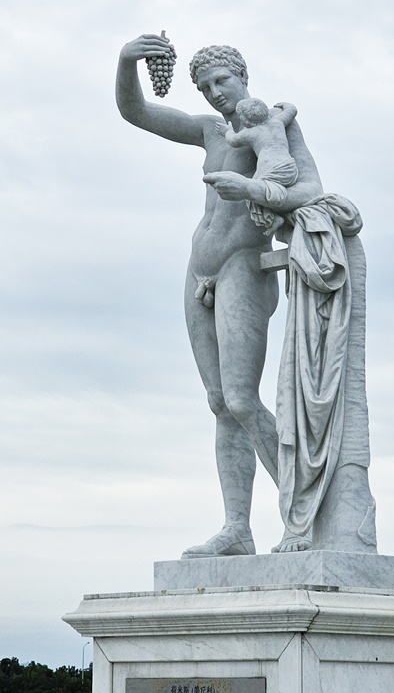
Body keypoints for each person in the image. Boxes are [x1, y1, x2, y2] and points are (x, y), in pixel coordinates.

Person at [115, 34, 376, 556]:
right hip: (199, 271)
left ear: (243, 77)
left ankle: (307, 511)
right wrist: (127, 60)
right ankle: (238, 528)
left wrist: (252, 189)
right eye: (205, 85)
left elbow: (309, 192)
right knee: (219, 404)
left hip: (243, 267)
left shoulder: (274, 127)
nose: (214, 92)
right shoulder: (211, 130)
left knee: (240, 398)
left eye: (222, 81)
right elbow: (135, 111)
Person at [218, 97, 299, 237]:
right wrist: (284, 104)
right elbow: (292, 110)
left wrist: (227, 130)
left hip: (269, 169)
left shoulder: (251, 132)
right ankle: (280, 215)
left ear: (245, 120)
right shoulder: (278, 121)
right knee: (266, 193)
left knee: (252, 195)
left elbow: (233, 140)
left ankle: (273, 219)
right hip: (290, 168)